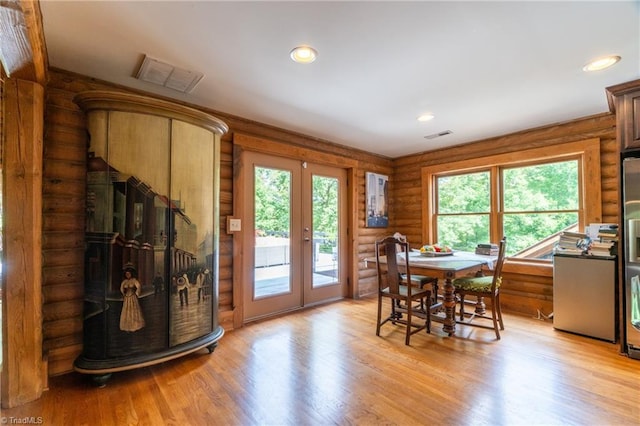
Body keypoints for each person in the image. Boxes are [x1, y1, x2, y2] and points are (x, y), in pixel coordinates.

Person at [119, 266, 145, 332]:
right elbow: (121, 288)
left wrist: (136, 293)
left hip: (133, 297)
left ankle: (135, 326)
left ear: (131, 274)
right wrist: (123, 293)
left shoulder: (134, 280)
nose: (128, 275)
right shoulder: (124, 281)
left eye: (129, 274)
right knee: (126, 310)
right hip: (127, 298)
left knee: (133, 310)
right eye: (126, 274)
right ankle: (127, 326)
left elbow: (139, 287)